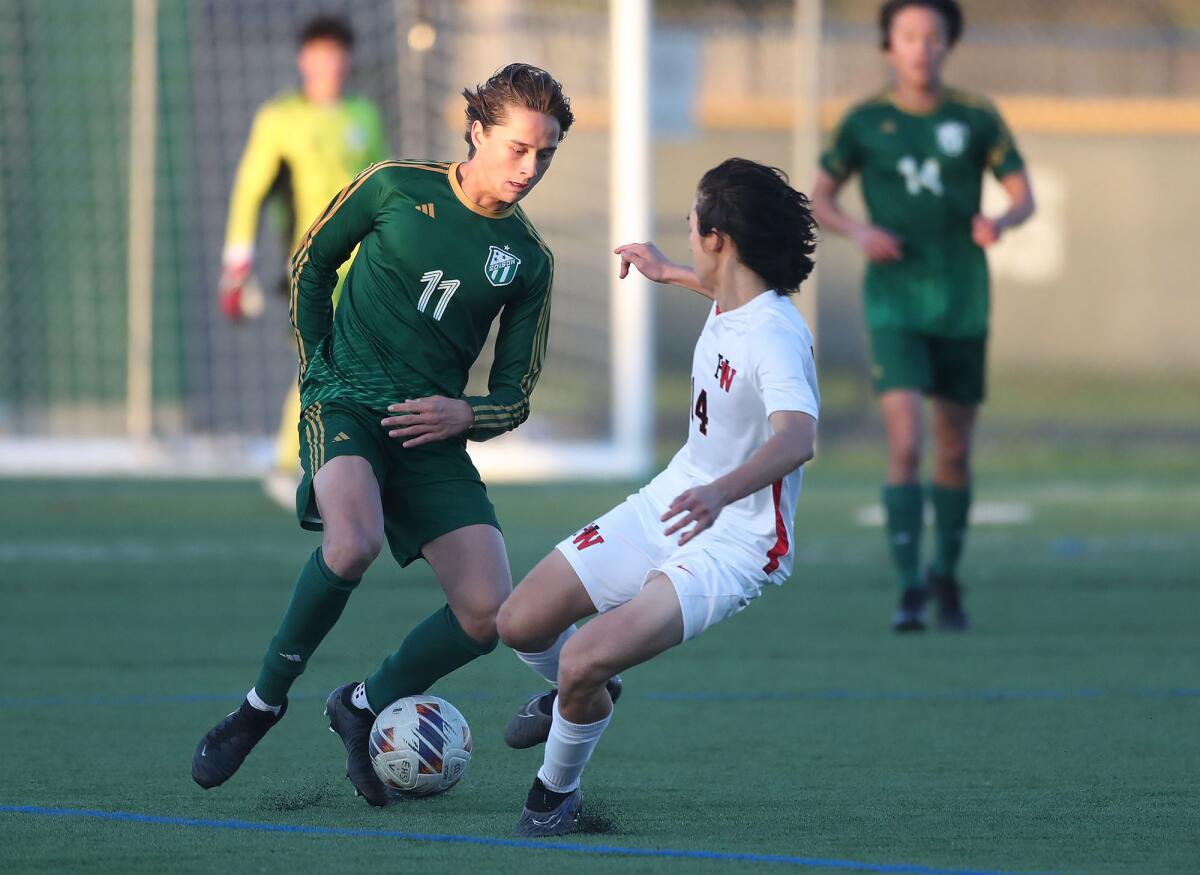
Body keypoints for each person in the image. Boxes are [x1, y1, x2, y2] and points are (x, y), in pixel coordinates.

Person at [192, 63, 574, 807]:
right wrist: (317, 371)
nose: (530, 167)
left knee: (486, 613)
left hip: (434, 436)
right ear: (477, 131)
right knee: (352, 541)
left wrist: (464, 414)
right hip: (348, 404)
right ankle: (261, 704)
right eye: (518, 148)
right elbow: (311, 262)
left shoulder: (528, 260)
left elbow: (515, 393)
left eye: (546, 153)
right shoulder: (396, 186)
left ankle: (362, 705)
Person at [496, 158, 820, 838]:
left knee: (585, 657)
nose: (687, 229)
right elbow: (721, 296)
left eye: (692, 223)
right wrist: (666, 268)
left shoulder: (776, 333)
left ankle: (555, 796)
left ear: (719, 239)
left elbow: (797, 439)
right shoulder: (732, 297)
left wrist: (720, 493)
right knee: (520, 621)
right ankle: (581, 693)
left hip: (737, 541)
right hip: (675, 497)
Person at [811, 0, 1035, 632]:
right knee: (906, 443)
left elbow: (1023, 196)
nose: (920, 48)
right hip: (895, 303)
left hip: (962, 300)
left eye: (932, 36)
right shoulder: (865, 123)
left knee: (954, 453)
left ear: (948, 44)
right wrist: (860, 230)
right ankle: (909, 587)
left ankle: (946, 577)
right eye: (908, 36)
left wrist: (1001, 220)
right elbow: (822, 196)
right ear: (889, 47)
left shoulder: (975, 116)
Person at [217, 15, 389, 510]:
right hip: (310, 264)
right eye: (320, 55)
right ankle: (291, 460)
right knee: (322, 360)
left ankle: (323, 461)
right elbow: (250, 190)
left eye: (337, 55)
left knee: (350, 361)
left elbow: (387, 185)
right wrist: (237, 263)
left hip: (369, 264)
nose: (329, 65)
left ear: (349, 60)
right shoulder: (280, 118)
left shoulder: (364, 115)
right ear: (303, 60)